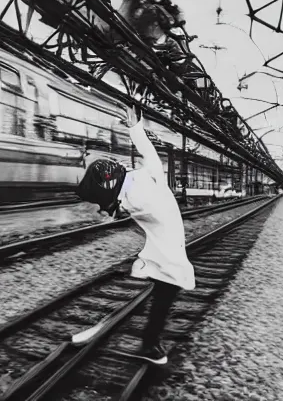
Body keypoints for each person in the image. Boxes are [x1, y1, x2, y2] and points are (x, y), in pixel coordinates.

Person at [72, 104, 196, 365]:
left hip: (168, 253)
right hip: (166, 245)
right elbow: (149, 152)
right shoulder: (145, 175)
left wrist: (113, 208)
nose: (103, 209)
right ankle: (148, 343)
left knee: (163, 294)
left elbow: (123, 207)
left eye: (100, 202)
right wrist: (135, 127)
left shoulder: (138, 199)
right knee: (161, 293)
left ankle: (151, 347)